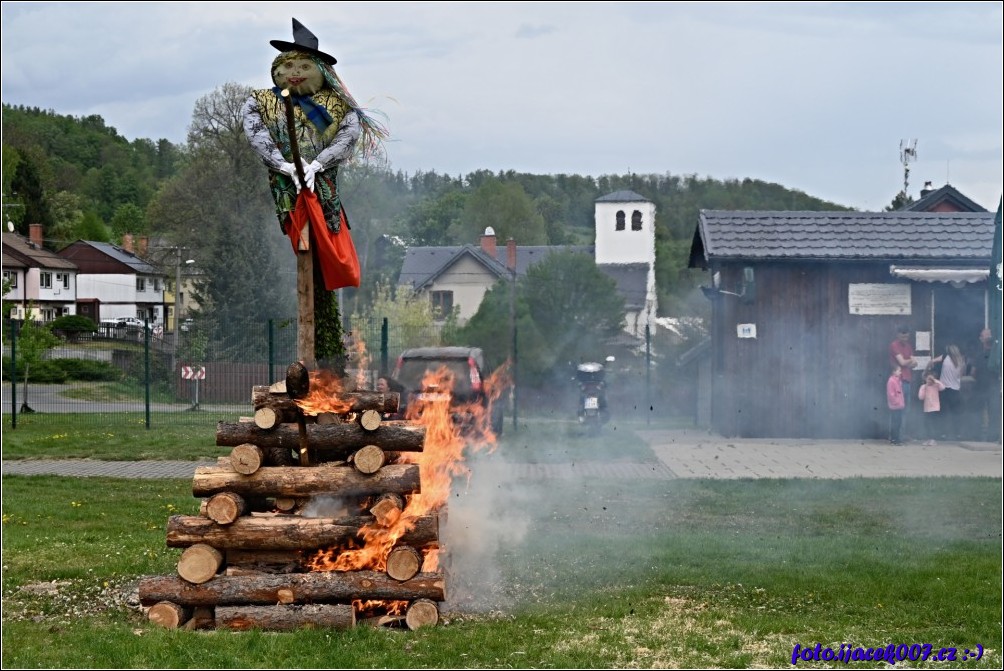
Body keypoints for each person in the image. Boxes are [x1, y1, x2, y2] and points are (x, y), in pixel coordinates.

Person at [241, 18, 386, 367]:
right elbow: (256, 133)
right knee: (304, 247)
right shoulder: (260, 102)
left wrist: (318, 164)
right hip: (287, 190)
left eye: (304, 66)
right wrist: (284, 165)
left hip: (322, 190)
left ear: (319, 70)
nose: (295, 72)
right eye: (288, 65)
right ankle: (314, 350)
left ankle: (327, 348)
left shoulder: (338, 105)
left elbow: (348, 136)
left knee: (323, 250)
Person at [970, 328, 1001, 441]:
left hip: (991, 387)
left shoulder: (996, 354)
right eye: (985, 335)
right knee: (980, 412)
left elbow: (973, 372)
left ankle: (990, 436)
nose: (988, 337)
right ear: (981, 339)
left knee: (991, 412)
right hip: (982, 387)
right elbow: (973, 372)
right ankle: (981, 436)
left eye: (989, 335)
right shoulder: (980, 354)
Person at [931, 344, 965, 440]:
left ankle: (943, 434)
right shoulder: (961, 360)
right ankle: (957, 434)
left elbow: (932, 361)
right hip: (956, 390)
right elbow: (961, 376)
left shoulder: (945, 357)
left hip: (944, 389)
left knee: (943, 413)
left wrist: (928, 371)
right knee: (956, 414)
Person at [888, 325, 916, 438]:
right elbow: (903, 362)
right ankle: (894, 436)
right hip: (898, 381)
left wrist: (908, 361)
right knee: (897, 409)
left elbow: (914, 364)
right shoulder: (894, 345)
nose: (905, 339)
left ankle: (901, 435)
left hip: (907, 380)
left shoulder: (908, 346)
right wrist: (910, 360)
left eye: (907, 337)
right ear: (898, 335)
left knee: (905, 410)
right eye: (903, 337)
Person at [917, 367, 945, 446]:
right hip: (927, 408)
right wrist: (924, 388)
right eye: (927, 379)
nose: (929, 380)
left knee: (932, 424)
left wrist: (935, 381)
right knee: (927, 424)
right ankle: (928, 439)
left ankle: (933, 439)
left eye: (930, 379)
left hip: (935, 407)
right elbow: (920, 397)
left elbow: (943, 387)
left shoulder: (936, 385)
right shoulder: (923, 387)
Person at [887, 364, 905, 445]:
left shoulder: (898, 381)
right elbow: (891, 394)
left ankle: (896, 438)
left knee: (898, 423)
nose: (900, 372)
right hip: (895, 406)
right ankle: (893, 439)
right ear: (894, 371)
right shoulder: (891, 381)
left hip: (899, 406)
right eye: (899, 371)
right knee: (895, 423)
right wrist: (897, 402)